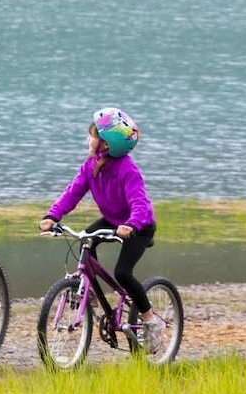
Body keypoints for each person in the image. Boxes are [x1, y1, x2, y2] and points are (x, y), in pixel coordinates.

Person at [37, 107, 166, 352]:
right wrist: (52, 216)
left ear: (106, 144)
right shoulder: (90, 166)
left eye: (92, 135)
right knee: (86, 240)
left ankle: (150, 320)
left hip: (139, 226)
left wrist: (131, 225)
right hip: (113, 220)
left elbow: (139, 203)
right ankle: (91, 291)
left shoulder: (128, 170)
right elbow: (72, 193)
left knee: (123, 273)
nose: (88, 139)